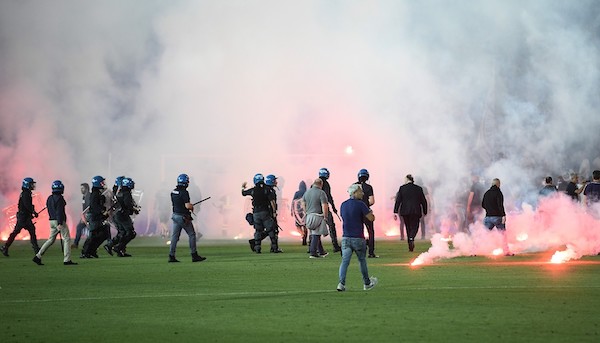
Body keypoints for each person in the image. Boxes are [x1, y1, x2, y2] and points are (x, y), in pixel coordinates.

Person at [337, 183, 378, 291]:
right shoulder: (361, 204)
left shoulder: (343, 205)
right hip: (358, 238)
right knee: (362, 261)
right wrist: (371, 213)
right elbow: (371, 218)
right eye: (360, 191)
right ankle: (367, 283)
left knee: (345, 262)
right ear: (354, 192)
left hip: (346, 237)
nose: (363, 193)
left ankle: (341, 284)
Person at [32, 180, 77, 266]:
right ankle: (67, 259)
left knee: (50, 240)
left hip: (51, 221)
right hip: (58, 221)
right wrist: (60, 223)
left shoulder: (49, 198)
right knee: (67, 239)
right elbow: (59, 211)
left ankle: (38, 256)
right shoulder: (60, 198)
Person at [169, 173, 206, 262]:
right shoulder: (184, 192)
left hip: (175, 215)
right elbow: (187, 206)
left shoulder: (173, 191)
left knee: (174, 237)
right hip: (183, 217)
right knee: (192, 235)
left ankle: (171, 256)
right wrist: (191, 207)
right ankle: (194, 255)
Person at [1, 177, 41, 257]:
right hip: (23, 217)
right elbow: (27, 205)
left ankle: (6, 247)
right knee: (27, 232)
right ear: (27, 185)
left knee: (29, 231)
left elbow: (27, 206)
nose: (32, 186)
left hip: (24, 216)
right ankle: (36, 249)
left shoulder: (26, 193)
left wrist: (32, 212)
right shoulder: (26, 194)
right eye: (31, 184)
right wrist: (33, 212)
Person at [242, 173, 279, 254]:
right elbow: (272, 202)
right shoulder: (267, 189)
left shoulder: (253, 190)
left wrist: (243, 187)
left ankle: (257, 248)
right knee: (271, 230)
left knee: (258, 231)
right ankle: (274, 248)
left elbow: (243, 193)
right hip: (265, 212)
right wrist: (274, 212)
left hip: (256, 213)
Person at [393, 174, 428, 252]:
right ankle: (411, 238)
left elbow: (398, 200)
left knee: (408, 227)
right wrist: (425, 211)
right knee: (415, 226)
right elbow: (423, 201)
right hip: (416, 211)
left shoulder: (402, 188)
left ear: (407, 179)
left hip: (405, 211)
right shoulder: (418, 189)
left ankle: (410, 242)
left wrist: (395, 211)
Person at [105, 177, 138, 257]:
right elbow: (128, 205)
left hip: (116, 214)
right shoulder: (126, 193)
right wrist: (134, 209)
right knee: (130, 233)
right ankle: (118, 247)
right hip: (122, 215)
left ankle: (111, 245)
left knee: (122, 233)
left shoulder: (119, 192)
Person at [80, 176, 111, 258]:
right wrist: (102, 211)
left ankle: (92, 250)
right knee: (93, 235)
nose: (103, 184)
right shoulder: (95, 194)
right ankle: (86, 252)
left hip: (97, 217)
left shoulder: (98, 194)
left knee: (103, 234)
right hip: (94, 217)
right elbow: (95, 206)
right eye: (102, 182)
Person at [481, 178, 513, 256]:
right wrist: (503, 215)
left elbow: (483, 205)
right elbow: (500, 205)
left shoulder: (487, 193)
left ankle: (473, 251)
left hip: (488, 217)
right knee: (503, 235)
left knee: (483, 235)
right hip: (497, 217)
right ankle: (506, 251)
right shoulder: (498, 193)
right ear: (498, 184)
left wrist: (489, 210)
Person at [302, 178, 329, 258]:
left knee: (316, 233)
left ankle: (321, 252)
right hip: (318, 215)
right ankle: (313, 252)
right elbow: (324, 205)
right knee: (316, 234)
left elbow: (303, 203)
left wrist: (306, 212)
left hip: (309, 215)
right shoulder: (321, 193)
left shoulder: (307, 192)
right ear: (321, 184)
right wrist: (325, 216)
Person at [355, 169, 377, 257]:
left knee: (358, 232)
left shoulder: (354, 186)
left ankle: (359, 250)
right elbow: (372, 201)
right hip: (366, 212)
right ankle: (371, 252)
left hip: (356, 212)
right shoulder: (369, 187)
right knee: (370, 231)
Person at [318, 168, 341, 252]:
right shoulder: (326, 184)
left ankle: (313, 247)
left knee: (316, 228)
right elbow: (329, 196)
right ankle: (335, 245)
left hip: (315, 208)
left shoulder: (315, 183)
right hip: (324, 208)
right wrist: (334, 207)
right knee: (331, 226)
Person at [72, 183, 91, 249]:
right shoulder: (84, 196)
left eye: (82, 188)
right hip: (85, 217)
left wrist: (85, 218)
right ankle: (76, 244)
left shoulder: (89, 196)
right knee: (79, 228)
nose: (81, 190)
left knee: (91, 230)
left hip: (89, 217)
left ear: (86, 188)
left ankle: (90, 245)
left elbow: (89, 208)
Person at [291, 181, 307, 245]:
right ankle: (305, 238)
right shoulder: (307, 192)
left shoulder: (297, 193)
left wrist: (292, 211)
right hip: (305, 211)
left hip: (297, 212)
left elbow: (293, 202)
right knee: (305, 225)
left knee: (298, 225)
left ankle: (302, 234)